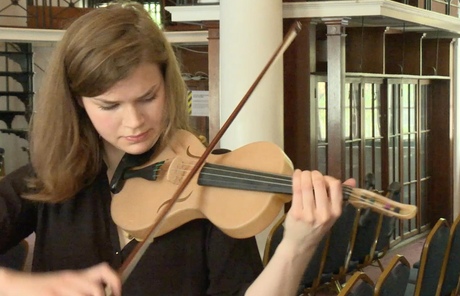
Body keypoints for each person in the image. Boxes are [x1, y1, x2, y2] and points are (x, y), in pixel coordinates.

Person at [0, 2, 355, 295]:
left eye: (148, 97)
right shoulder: (48, 180)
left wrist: (296, 247)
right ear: (77, 103)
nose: (134, 122)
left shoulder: (211, 182)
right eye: (110, 106)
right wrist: (31, 287)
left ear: (168, 85)